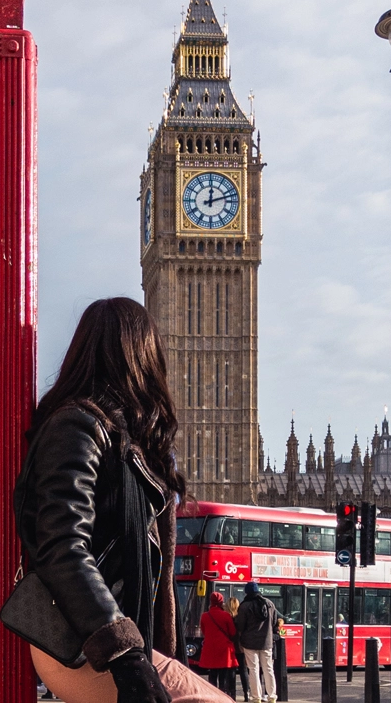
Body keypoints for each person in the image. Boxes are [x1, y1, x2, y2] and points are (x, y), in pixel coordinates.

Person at [14, 298, 231, 703]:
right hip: (82, 642)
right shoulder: (78, 426)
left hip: (114, 642)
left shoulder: (128, 443)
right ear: (141, 357)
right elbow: (63, 547)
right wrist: (128, 658)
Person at [234, 582, 278, 703]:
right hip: (267, 642)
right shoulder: (269, 604)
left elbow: (240, 626)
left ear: (246, 592)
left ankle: (256, 697)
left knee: (253, 669)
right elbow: (274, 623)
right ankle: (272, 696)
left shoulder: (244, 606)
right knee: (268, 669)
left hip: (249, 643)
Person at [199, 592, 239, 696]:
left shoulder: (204, 616)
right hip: (224, 649)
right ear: (221, 601)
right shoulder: (225, 616)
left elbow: (204, 631)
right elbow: (232, 632)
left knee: (212, 674)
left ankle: (212, 696)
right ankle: (222, 695)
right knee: (223, 676)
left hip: (210, 649)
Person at [227, 596, 251, 702]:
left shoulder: (227, 618)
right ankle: (246, 693)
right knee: (243, 670)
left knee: (231, 670)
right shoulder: (241, 617)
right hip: (241, 646)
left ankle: (232, 694)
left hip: (230, 647)